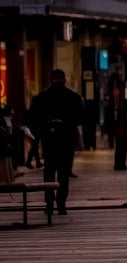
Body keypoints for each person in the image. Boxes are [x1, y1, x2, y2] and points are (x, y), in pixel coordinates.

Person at [26, 69, 86, 215]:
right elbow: (82, 117)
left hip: (49, 139)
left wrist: (43, 129)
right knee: (64, 173)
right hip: (66, 139)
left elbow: (32, 118)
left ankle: (49, 203)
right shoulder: (73, 97)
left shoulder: (42, 97)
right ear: (65, 80)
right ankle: (61, 204)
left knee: (49, 171)